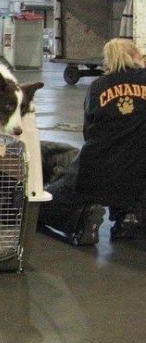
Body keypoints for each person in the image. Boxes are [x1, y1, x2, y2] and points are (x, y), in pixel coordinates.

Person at [38, 38, 146, 245]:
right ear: (136, 56)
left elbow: (88, 132)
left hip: (96, 171)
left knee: (37, 204)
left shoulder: (98, 87)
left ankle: (82, 217)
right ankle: (128, 218)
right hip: (139, 172)